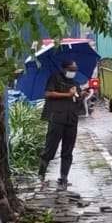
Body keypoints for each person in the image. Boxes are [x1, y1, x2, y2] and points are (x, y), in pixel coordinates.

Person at [39, 59, 85, 188]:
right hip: (57, 119)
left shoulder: (75, 83)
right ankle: (41, 174)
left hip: (71, 120)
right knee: (50, 147)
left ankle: (64, 177)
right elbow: (48, 93)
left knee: (68, 150)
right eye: (71, 69)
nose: (73, 72)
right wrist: (67, 94)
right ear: (64, 69)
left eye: (75, 70)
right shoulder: (55, 79)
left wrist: (82, 95)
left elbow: (77, 99)